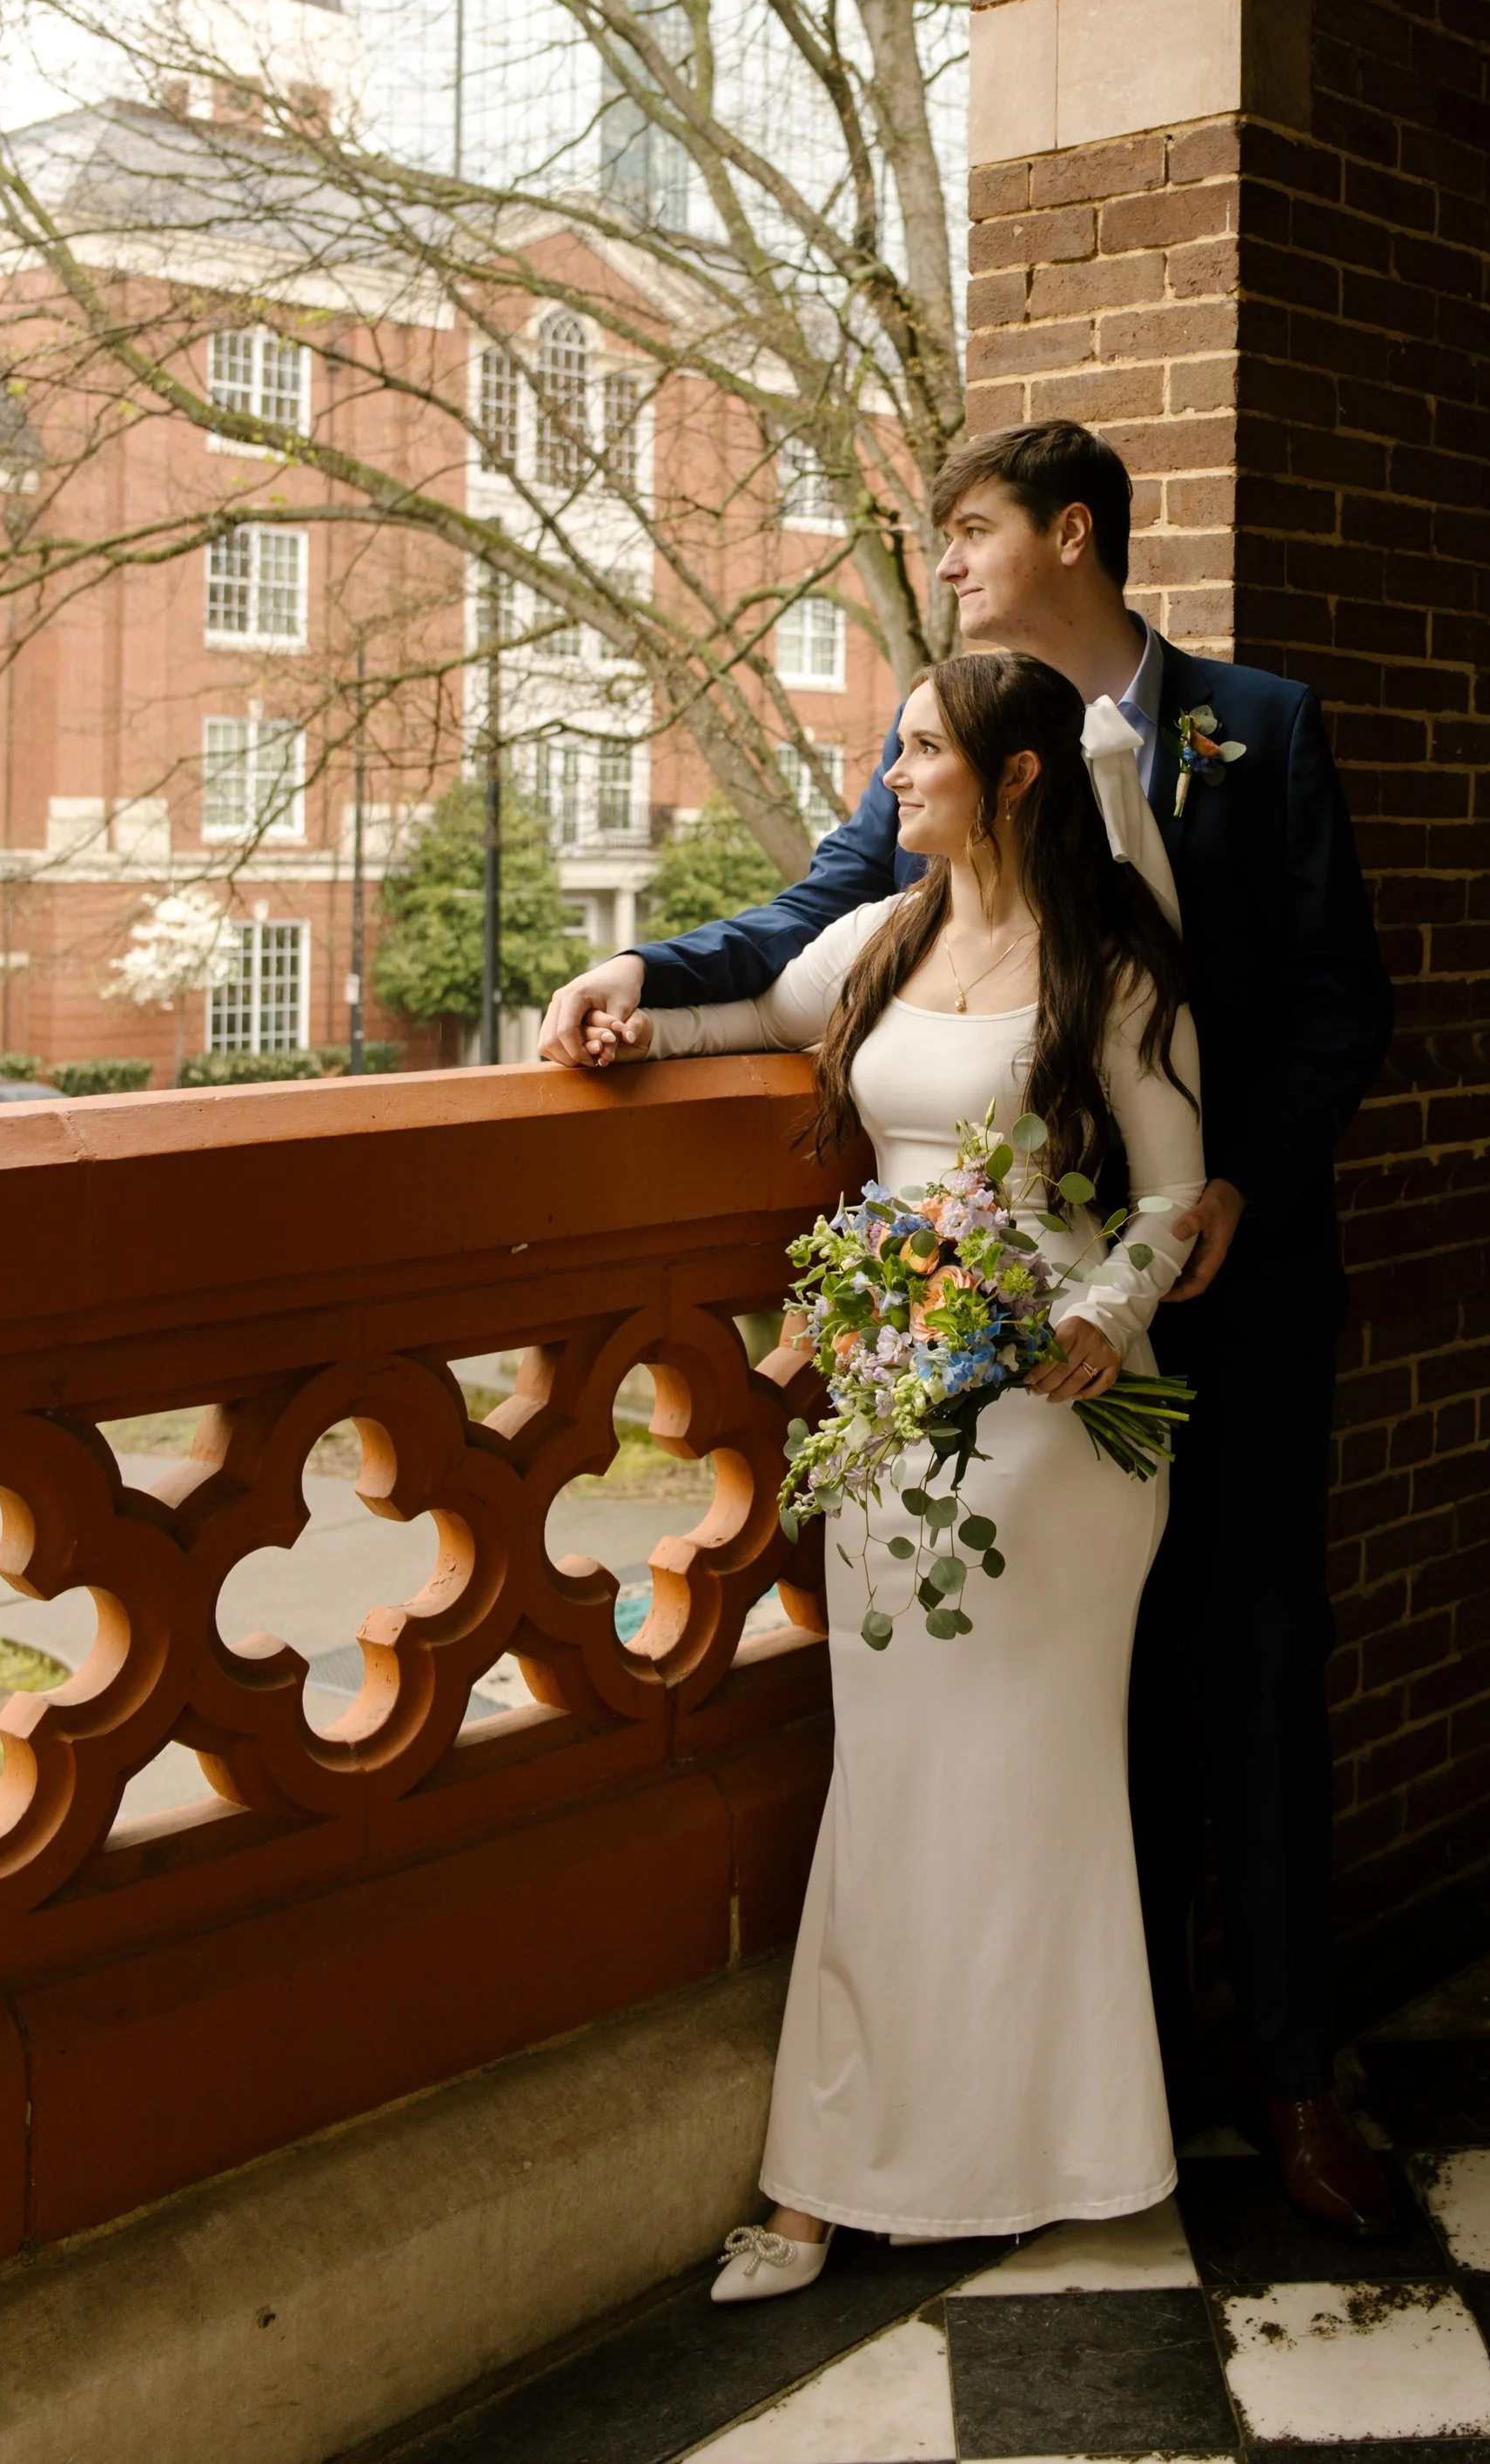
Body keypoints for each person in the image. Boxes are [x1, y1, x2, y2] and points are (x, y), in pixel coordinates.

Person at [541, 420, 1405, 2237]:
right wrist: (642, 974)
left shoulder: (1257, 729)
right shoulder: (941, 739)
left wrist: (1235, 1186)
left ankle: (1296, 2083)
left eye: (968, 528)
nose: (942, 558)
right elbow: (826, 922)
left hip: (1219, 1295)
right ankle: (1111, 2079)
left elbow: (1336, 1004)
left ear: (1066, 533)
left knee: (1247, 1682)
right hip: (985, 1358)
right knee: (1060, 1729)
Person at [598, 652, 1205, 2293]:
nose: (894, 773)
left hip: (1059, 1435)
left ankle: (1039, 2145)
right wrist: (628, 995)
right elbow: (751, 1007)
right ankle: (835, 2169)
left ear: (1016, 776)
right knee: (893, 1787)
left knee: (1030, 1790)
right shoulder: (884, 935)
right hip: (886, 1421)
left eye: (923, 748)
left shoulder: (1113, 965)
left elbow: (1168, 1192)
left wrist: (1098, 1306)